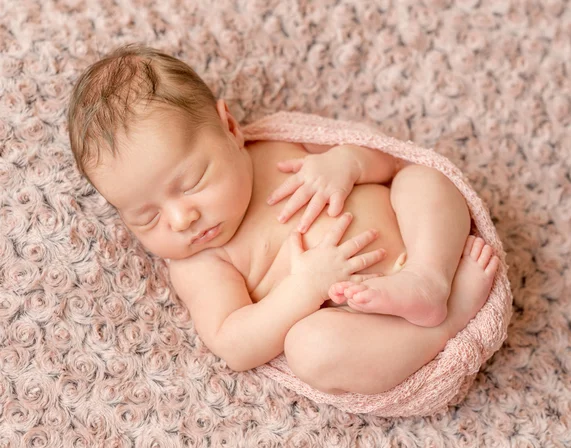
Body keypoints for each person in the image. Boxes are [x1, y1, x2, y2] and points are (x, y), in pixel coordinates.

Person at [67, 44, 499, 395]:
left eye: (193, 181)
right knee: (310, 350)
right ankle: (446, 320)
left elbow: (388, 163)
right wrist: (304, 289)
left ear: (231, 129)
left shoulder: (277, 147)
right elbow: (234, 344)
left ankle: (428, 279)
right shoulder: (201, 262)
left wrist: (347, 162)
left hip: (423, 246)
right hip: (368, 326)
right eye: (146, 217)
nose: (182, 219)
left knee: (421, 178)